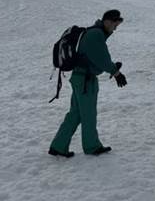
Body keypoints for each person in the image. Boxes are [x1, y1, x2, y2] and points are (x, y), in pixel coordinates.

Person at [49, 10, 127, 157]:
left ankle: (58, 146)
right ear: (108, 21)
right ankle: (92, 146)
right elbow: (102, 59)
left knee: (75, 114)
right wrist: (116, 73)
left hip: (80, 78)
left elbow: (95, 58)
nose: (115, 29)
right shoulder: (96, 35)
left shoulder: (93, 33)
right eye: (115, 25)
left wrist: (112, 67)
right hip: (86, 80)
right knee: (88, 114)